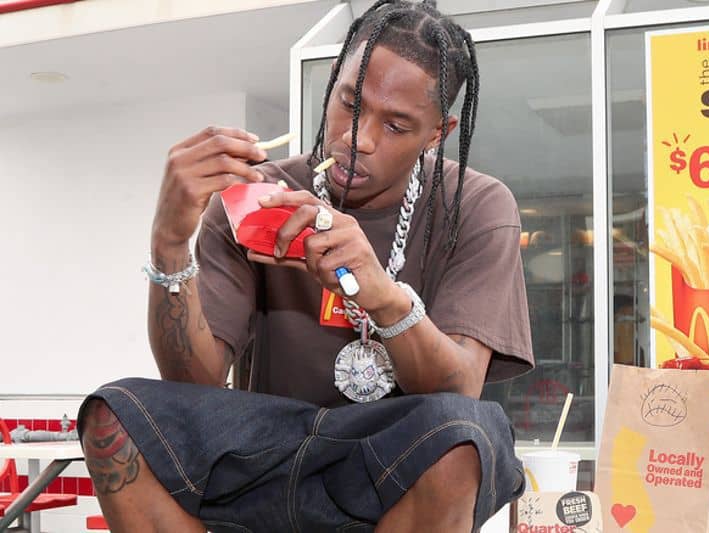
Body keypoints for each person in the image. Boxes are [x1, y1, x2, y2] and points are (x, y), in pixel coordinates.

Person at [77, 1, 534, 531]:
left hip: (391, 466)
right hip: (263, 460)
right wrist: (170, 242)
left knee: (463, 432)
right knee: (117, 412)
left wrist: (383, 297)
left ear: (438, 132)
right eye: (349, 102)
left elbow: (460, 390)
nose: (358, 138)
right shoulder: (257, 196)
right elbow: (191, 383)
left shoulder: (475, 206)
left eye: (397, 125)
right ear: (332, 83)